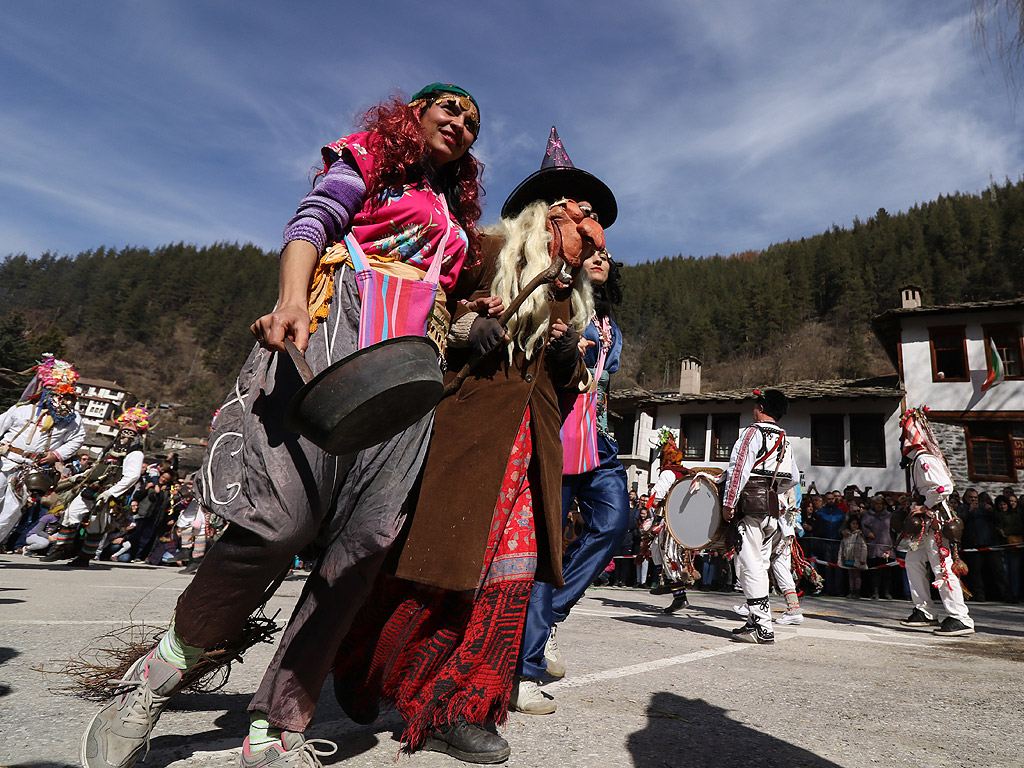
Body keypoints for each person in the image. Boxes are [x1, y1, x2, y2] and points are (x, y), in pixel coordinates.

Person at [80, 82, 485, 768]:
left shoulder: (453, 218)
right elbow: (312, 222)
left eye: (474, 122)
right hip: (335, 334)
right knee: (279, 523)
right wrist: (291, 301)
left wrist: (473, 303)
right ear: (412, 114)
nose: (462, 123)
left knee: (360, 553)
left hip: (412, 378)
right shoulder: (368, 161)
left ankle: (277, 729)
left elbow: (441, 292)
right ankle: (154, 677)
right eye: (449, 108)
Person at [330, 143, 611, 763]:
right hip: (462, 439)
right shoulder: (479, 251)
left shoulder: (570, 297)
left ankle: (456, 707)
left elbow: (563, 386)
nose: (596, 237)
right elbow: (419, 310)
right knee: (432, 566)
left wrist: (567, 363)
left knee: (506, 576)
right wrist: (462, 328)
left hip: (525, 457)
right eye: (587, 217)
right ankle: (363, 665)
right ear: (551, 214)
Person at [515, 234, 631, 712]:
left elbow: (602, 388)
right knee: (548, 550)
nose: (600, 255)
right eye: (593, 251)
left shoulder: (614, 331)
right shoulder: (556, 302)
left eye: (606, 253)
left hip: (598, 442)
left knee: (616, 522)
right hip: (556, 437)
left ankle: (552, 614)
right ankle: (524, 670)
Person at [721, 389, 799, 644]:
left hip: (750, 508)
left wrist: (729, 503)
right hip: (772, 511)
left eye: (756, 405)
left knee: (748, 565)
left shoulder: (753, 432)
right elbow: (794, 478)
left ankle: (763, 627)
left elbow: (738, 469)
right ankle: (753, 621)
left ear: (762, 407)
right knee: (761, 565)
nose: (753, 409)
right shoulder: (785, 439)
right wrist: (773, 492)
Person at [896, 407, 974, 636]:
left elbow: (944, 488)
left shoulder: (923, 460)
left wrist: (924, 506)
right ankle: (925, 611)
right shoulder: (921, 461)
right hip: (925, 524)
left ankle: (960, 617)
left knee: (942, 566)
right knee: (913, 561)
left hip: (935, 521)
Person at [44, 407, 148, 567]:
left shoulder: (135, 452)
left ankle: (84, 557)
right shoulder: (110, 448)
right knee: (71, 513)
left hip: (111, 493)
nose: (128, 427)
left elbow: (132, 476)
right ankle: (62, 548)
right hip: (92, 487)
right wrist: (78, 477)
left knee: (96, 524)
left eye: (133, 425)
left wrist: (111, 493)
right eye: (125, 424)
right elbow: (96, 467)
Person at [0, 357, 85, 548]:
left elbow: (78, 439)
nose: (64, 400)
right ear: (46, 392)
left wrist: (57, 455)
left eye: (67, 396)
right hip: (5, 459)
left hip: (32, 469)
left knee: (12, 510)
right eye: (58, 395)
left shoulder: (72, 419)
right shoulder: (22, 409)